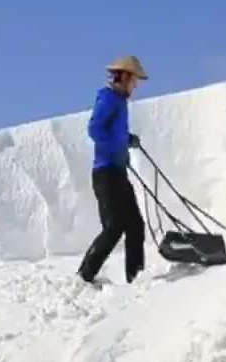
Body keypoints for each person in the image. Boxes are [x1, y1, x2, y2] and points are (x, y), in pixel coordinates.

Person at [77, 55, 148, 285]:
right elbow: (95, 130)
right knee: (114, 226)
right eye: (134, 80)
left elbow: (113, 134)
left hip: (118, 172)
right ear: (124, 77)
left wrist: (128, 140)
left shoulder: (120, 102)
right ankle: (85, 275)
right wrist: (116, 150)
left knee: (135, 225)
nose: (135, 86)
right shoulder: (108, 98)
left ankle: (136, 278)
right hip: (106, 173)